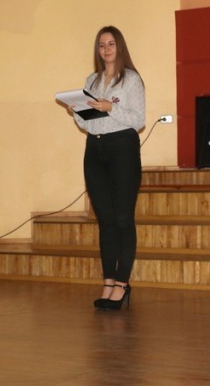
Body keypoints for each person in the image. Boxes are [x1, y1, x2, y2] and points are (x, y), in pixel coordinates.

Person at [70, 25, 145, 310]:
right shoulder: (92, 80)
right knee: (106, 220)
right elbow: (87, 123)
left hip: (122, 148)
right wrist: (78, 111)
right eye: (101, 45)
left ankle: (122, 284)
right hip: (95, 149)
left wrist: (110, 107)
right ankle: (108, 281)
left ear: (119, 46)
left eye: (111, 44)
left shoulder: (131, 79)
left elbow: (138, 120)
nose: (106, 49)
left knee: (123, 218)